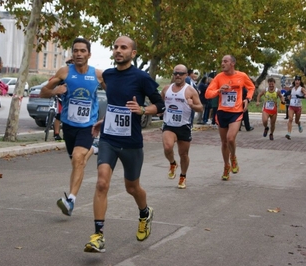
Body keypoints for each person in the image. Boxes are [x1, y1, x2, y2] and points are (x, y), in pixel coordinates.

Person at [84, 36, 165, 253]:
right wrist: (104, 120)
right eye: (116, 47)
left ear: (133, 53)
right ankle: (98, 236)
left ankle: (145, 212)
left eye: (124, 47)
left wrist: (142, 110)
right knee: (102, 183)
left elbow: (160, 105)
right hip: (109, 138)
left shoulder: (142, 78)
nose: (118, 50)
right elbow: (115, 104)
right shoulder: (109, 75)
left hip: (131, 142)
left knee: (132, 187)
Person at [39, 38, 104, 216]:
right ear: (72, 53)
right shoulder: (64, 72)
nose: (79, 54)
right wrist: (55, 91)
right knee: (77, 163)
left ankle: (71, 200)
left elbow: (114, 94)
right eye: (75, 50)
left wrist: (105, 119)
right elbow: (43, 92)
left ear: (89, 54)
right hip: (69, 125)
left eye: (82, 51)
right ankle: (94, 148)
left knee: (77, 158)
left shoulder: (97, 75)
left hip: (88, 125)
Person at [205, 55, 255, 180]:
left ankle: (233, 157)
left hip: (236, 112)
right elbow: (207, 94)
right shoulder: (218, 77)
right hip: (222, 112)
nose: (222, 63)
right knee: (224, 142)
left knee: (230, 138)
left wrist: (247, 99)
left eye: (225, 61)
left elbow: (251, 87)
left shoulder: (241, 76)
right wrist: (218, 91)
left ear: (232, 63)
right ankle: (226, 166)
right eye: (222, 61)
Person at [161, 64, 203, 189]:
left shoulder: (190, 90)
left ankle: (183, 176)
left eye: (180, 73)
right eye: (175, 73)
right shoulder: (166, 89)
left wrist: (192, 106)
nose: (177, 76)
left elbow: (200, 107)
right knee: (168, 147)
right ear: (173, 75)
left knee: (183, 154)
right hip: (169, 124)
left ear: (186, 75)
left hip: (184, 125)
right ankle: (172, 163)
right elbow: (160, 102)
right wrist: (159, 110)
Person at [53, 58, 74, 141]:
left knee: (69, 116)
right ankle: (56, 134)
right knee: (59, 115)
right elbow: (53, 81)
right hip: (61, 97)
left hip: (71, 99)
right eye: (70, 63)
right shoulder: (63, 72)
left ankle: (66, 134)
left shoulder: (77, 73)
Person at [285, 76, 306, 140]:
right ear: (294, 81)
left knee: (296, 121)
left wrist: (301, 96)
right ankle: (288, 133)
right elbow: (289, 96)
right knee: (290, 119)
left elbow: (305, 95)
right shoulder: (292, 89)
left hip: (298, 107)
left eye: (298, 80)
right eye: (296, 80)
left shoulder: (302, 89)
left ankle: (299, 124)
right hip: (291, 106)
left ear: (300, 81)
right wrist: (287, 98)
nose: (297, 81)